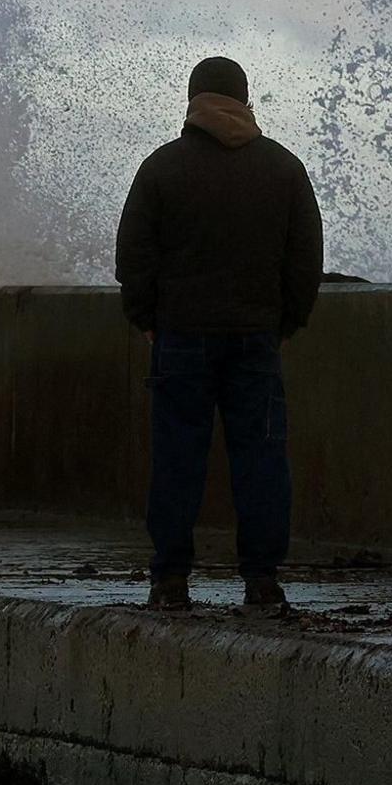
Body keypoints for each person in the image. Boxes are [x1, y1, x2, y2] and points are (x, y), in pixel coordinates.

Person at [115, 57, 323, 610]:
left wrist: (148, 321)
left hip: (181, 337)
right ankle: (261, 579)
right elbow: (305, 261)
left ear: (193, 100)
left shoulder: (162, 168)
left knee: (178, 458)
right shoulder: (283, 169)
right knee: (260, 458)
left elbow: (133, 257)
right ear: (245, 100)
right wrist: (285, 324)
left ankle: (170, 581)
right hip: (255, 337)